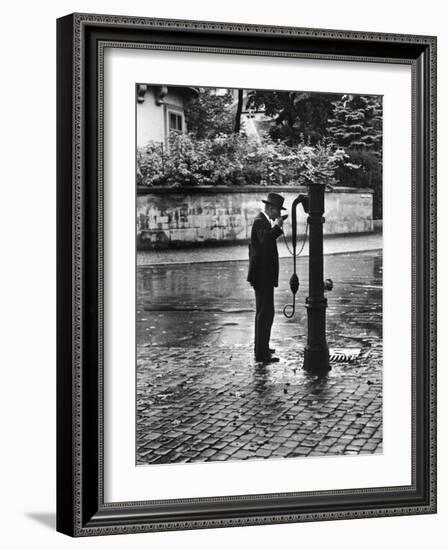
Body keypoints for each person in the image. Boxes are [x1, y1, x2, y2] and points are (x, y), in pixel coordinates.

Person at [247, 192, 286, 363]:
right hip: (261, 276)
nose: (278, 214)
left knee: (266, 312)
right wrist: (277, 227)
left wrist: (276, 227)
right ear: (270, 208)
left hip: (264, 275)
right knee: (265, 313)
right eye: (277, 211)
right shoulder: (259, 221)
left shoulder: (262, 221)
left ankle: (263, 346)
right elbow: (264, 241)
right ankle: (261, 353)